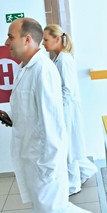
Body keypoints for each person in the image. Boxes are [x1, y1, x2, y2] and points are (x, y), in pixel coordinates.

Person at [0, 17, 107, 213]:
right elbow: (31, 111)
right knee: (40, 211)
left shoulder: (43, 70)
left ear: (27, 39)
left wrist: (49, 165)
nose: (6, 42)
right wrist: (12, 118)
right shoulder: (25, 68)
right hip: (31, 155)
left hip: (43, 160)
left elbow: (53, 122)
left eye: (11, 36)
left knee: (53, 207)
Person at [42, 24, 98, 196]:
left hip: (66, 110)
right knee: (70, 146)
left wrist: (57, 111)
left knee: (68, 148)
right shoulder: (58, 59)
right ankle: (87, 171)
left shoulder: (64, 60)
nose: (43, 43)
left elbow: (67, 90)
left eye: (46, 39)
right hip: (65, 108)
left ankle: (73, 185)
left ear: (57, 39)